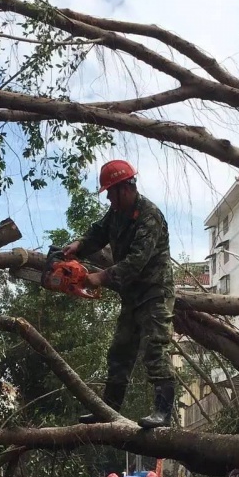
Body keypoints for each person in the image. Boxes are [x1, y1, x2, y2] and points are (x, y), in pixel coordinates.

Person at [62, 160, 175, 428]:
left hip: (154, 292)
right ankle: (107, 410)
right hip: (132, 294)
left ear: (126, 188)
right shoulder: (116, 214)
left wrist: (100, 277)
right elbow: (98, 233)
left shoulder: (149, 215)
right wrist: (78, 246)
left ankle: (163, 413)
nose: (110, 198)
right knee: (120, 350)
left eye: (112, 192)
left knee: (155, 347)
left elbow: (137, 260)